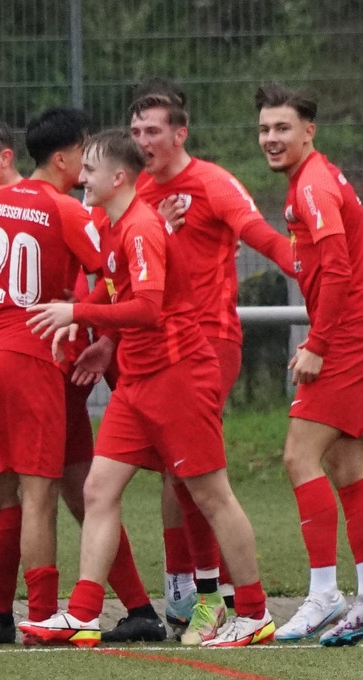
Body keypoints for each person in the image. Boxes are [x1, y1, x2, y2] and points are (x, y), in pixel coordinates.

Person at [20, 129, 274, 648]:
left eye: (89, 170)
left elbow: (149, 308)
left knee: (211, 495)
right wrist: (93, 327)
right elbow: (117, 289)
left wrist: (78, 312)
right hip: (137, 381)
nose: (81, 177)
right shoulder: (116, 225)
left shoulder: (140, 228)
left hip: (178, 377)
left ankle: (253, 613)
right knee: (97, 490)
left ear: (118, 177)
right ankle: (83, 615)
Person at [0, 119, 165, 645]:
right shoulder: (68, 210)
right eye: (85, 155)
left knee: (16, 486)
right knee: (44, 492)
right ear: (63, 159)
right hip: (37, 361)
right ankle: (37, 613)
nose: (88, 169)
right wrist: (93, 318)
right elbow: (116, 270)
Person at [128, 77, 295, 643]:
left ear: (180, 134)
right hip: (154, 348)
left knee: (190, 472)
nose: (142, 141)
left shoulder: (213, 183)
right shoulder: (136, 191)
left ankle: (218, 599)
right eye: (135, 131)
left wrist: (307, 264)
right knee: (163, 474)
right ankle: (192, 592)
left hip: (208, 343)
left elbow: (259, 234)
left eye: (152, 131)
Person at [255, 82, 363, 646]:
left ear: (309, 131)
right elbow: (307, 262)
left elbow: (336, 269)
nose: (271, 138)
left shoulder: (312, 184)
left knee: (299, 456)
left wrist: (317, 342)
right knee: (346, 466)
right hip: (360, 332)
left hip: (348, 338)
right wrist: (240, 225)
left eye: (282, 128)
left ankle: (323, 594)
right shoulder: (312, 181)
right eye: (264, 128)